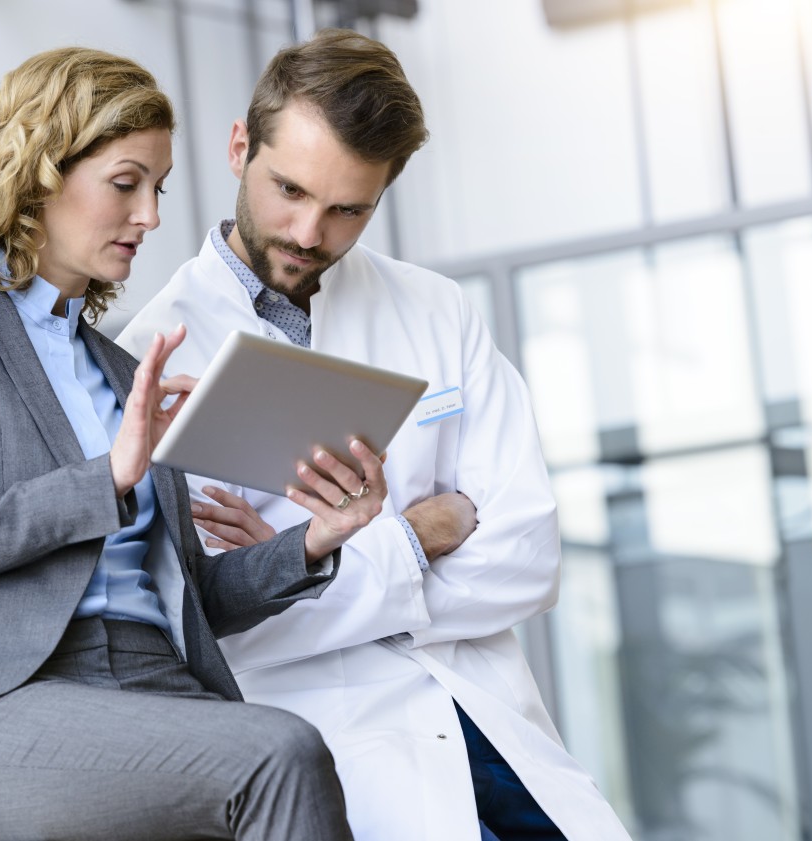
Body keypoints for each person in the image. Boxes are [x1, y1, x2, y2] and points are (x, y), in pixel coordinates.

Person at [0, 46, 385, 840]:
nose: (152, 217)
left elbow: (187, 595)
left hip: (157, 681)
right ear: (38, 170)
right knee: (279, 753)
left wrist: (316, 539)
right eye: (126, 183)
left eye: (158, 189)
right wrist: (109, 477)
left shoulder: (118, 364)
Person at [117, 29, 634, 841]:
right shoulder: (148, 358)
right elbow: (210, 628)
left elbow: (529, 557)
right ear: (238, 146)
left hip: (492, 724)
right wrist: (424, 529)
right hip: (341, 758)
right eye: (289, 189)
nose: (309, 232)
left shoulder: (436, 310)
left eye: (348, 208)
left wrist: (302, 566)